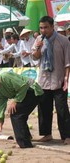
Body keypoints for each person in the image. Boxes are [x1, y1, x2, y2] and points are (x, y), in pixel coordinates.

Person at [0, 68, 43, 148]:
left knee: (15, 112)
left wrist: (15, 101)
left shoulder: (5, 77)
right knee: (18, 112)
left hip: (33, 90)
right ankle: (26, 137)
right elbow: (0, 107)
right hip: (24, 94)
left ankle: (25, 143)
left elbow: (23, 85)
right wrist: (0, 124)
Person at [32, 16, 70, 144]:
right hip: (43, 80)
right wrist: (38, 47)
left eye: (46, 27)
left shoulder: (63, 41)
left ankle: (67, 136)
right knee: (43, 108)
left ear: (52, 27)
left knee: (62, 109)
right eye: (41, 28)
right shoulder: (38, 39)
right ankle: (47, 134)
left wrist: (66, 79)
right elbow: (35, 58)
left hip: (59, 80)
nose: (43, 30)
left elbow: (67, 63)